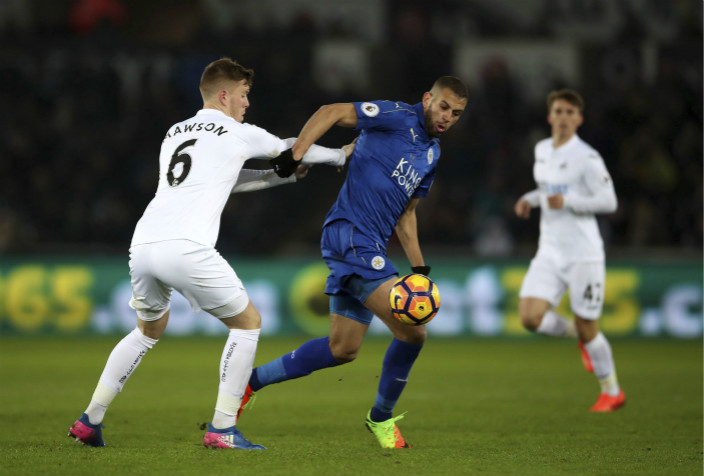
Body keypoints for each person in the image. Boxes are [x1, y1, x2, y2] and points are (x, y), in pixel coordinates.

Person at [67, 57, 355, 450]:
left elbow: (224, 181)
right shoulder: (236, 131)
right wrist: (340, 155)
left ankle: (89, 419)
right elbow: (292, 148)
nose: (246, 103)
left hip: (144, 242)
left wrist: (276, 178)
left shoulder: (174, 132)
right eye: (243, 95)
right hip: (187, 246)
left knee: (146, 331)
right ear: (224, 95)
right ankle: (222, 428)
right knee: (247, 323)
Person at [237, 77, 468, 449]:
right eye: (443, 107)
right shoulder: (394, 115)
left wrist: (420, 271)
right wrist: (296, 153)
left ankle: (249, 382)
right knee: (414, 330)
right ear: (427, 98)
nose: (447, 117)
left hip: (370, 244)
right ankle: (381, 418)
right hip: (351, 234)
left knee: (341, 349)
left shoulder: (432, 154)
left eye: (456, 113)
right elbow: (331, 112)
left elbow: (407, 215)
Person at [513, 89, 625, 412]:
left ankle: (612, 391)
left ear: (579, 119)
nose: (563, 118)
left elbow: (610, 202)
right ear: (550, 117)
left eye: (570, 113)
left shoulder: (588, 158)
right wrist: (529, 199)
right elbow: (548, 188)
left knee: (591, 326)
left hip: (582, 253)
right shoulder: (542, 149)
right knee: (530, 317)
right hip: (549, 249)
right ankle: (580, 335)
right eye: (558, 112)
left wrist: (571, 202)